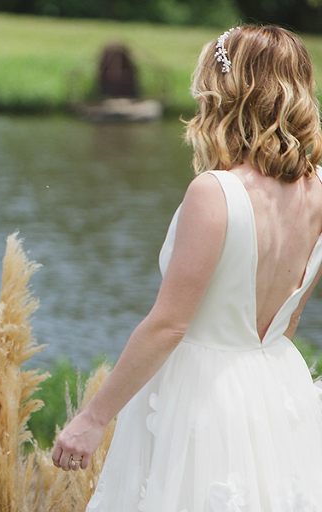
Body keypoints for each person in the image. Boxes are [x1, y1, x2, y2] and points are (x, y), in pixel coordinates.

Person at [53, 25, 322, 510]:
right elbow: (291, 316)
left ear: (227, 91)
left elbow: (169, 324)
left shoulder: (214, 192)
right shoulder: (319, 190)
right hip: (278, 388)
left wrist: (92, 419)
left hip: (203, 398)